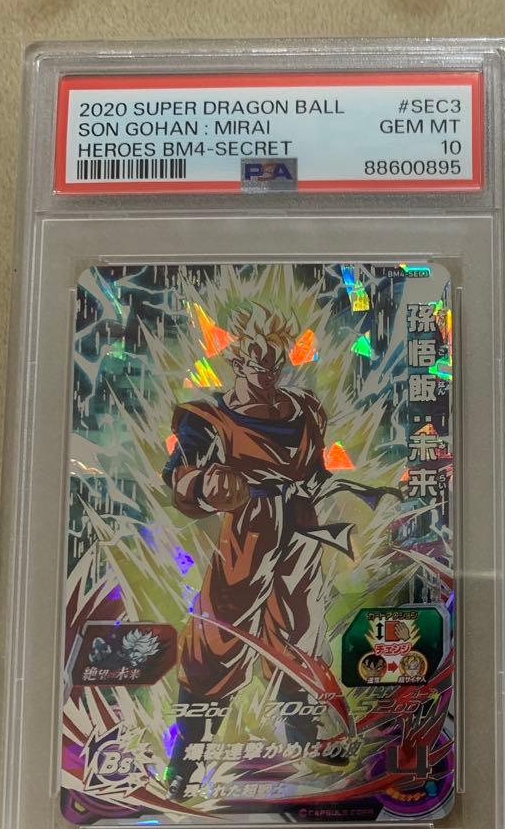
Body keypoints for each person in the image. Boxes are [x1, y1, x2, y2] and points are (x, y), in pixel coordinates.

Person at [161, 303, 388, 799]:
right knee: (218, 637)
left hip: (301, 531)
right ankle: (186, 756)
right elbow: (180, 477)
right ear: (235, 357)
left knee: (299, 632)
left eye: (273, 357)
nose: (265, 368)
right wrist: (207, 482)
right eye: (254, 357)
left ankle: (304, 738)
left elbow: (317, 473)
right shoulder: (206, 418)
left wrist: (352, 495)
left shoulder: (305, 409)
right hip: (247, 532)